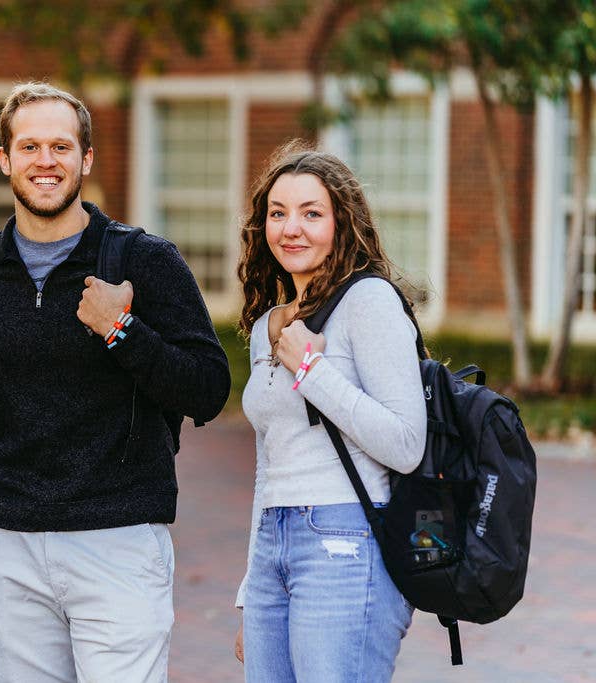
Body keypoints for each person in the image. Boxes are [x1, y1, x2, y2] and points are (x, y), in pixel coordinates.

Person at [0, 81, 231, 682]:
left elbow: (209, 390)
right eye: (29, 146)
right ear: (5, 159)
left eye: (61, 147)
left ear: (86, 159)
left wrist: (123, 331)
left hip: (117, 543)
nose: (45, 161)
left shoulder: (144, 262)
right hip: (3, 546)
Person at [233, 142, 426, 682]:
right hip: (275, 542)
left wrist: (312, 373)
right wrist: (253, 586)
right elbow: (268, 464)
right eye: (278, 213)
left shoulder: (370, 302)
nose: (291, 228)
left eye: (311, 213)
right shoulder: (268, 326)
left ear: (343, 223)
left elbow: (407, 444)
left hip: (346, 541)